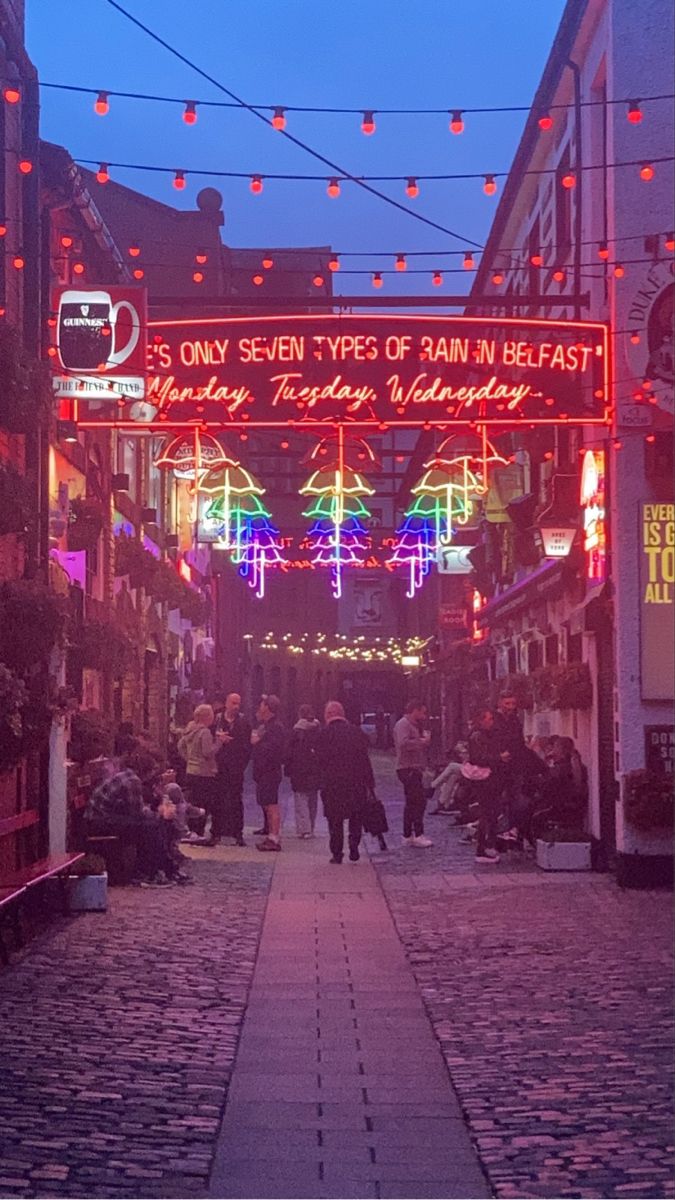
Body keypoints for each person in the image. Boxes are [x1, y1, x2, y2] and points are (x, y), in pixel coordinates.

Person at [317, 701, 375, 864]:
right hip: (355, 782)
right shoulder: (356, 732)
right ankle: (354, 845)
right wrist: (370, 783)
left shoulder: (324, 734)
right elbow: (365, 759)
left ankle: (337, 853)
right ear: (342, 714)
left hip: (332, 784)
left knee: (334, 819)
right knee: (356, 816)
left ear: (328, 715)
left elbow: (319, 760)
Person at [465, 708, 509, 864]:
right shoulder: (477, 736)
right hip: (484, 781)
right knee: (486, 813)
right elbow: (478, 758)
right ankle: (482, 849)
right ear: (481, 720)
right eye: (489, 719)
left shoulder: (485, 734)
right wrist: (499, 757)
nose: (491, 722)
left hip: (489, 779)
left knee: (491, 812)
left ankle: (487, 845)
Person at [213, 692, 252, 846]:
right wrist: (218, 737)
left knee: (236, 799)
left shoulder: (243, 722)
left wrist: (241, 764)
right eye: (233, 703)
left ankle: (238, 833)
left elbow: (247, 746)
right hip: (219, 766)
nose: (236, 706)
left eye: (238, 703)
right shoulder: (217, 719)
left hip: (235, 767)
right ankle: (216, 831)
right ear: (226, 703)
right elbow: (209, 736)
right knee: (218, 798)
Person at [393, 700, 433, 847]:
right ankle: (418, 833)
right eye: (422, 712)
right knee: (418, 801)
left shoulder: (414, 725)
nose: (424, 715)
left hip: (414, 767)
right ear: (415, 710)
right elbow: (403, 744)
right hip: (407, 768)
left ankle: (407, 834)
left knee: (411, 802)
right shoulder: (403, 724)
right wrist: (421, 742)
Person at [252, 695, 286, 852]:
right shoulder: (265, 725)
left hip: (270, 771)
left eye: (262, 704)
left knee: (272, 804)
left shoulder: (276, 727)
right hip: (263, 770)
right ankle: (271, 835)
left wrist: (259, 743)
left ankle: (274, 837)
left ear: (268, 707)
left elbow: (276, 749)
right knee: (266, 803)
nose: (259, 707)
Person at [178, 704, 219, 835]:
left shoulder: (189, 730)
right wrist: (219, 743)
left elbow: (180, 746)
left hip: (191, 771)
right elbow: (207, 752)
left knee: (192, 801)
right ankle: (199, 830)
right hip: (204, 773)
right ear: (207, 717)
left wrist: (189, 759)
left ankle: (191, 830)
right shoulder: (204, 732)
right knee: (203, 802)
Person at [285, 704, 321, 838]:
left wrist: (288, 767)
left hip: (299, 769)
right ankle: (311, 827)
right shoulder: (318, 729)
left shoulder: (297, 731)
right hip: (315, 769)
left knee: (301, 799)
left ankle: (304, 829)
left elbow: (289, 751)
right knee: (313, 799)